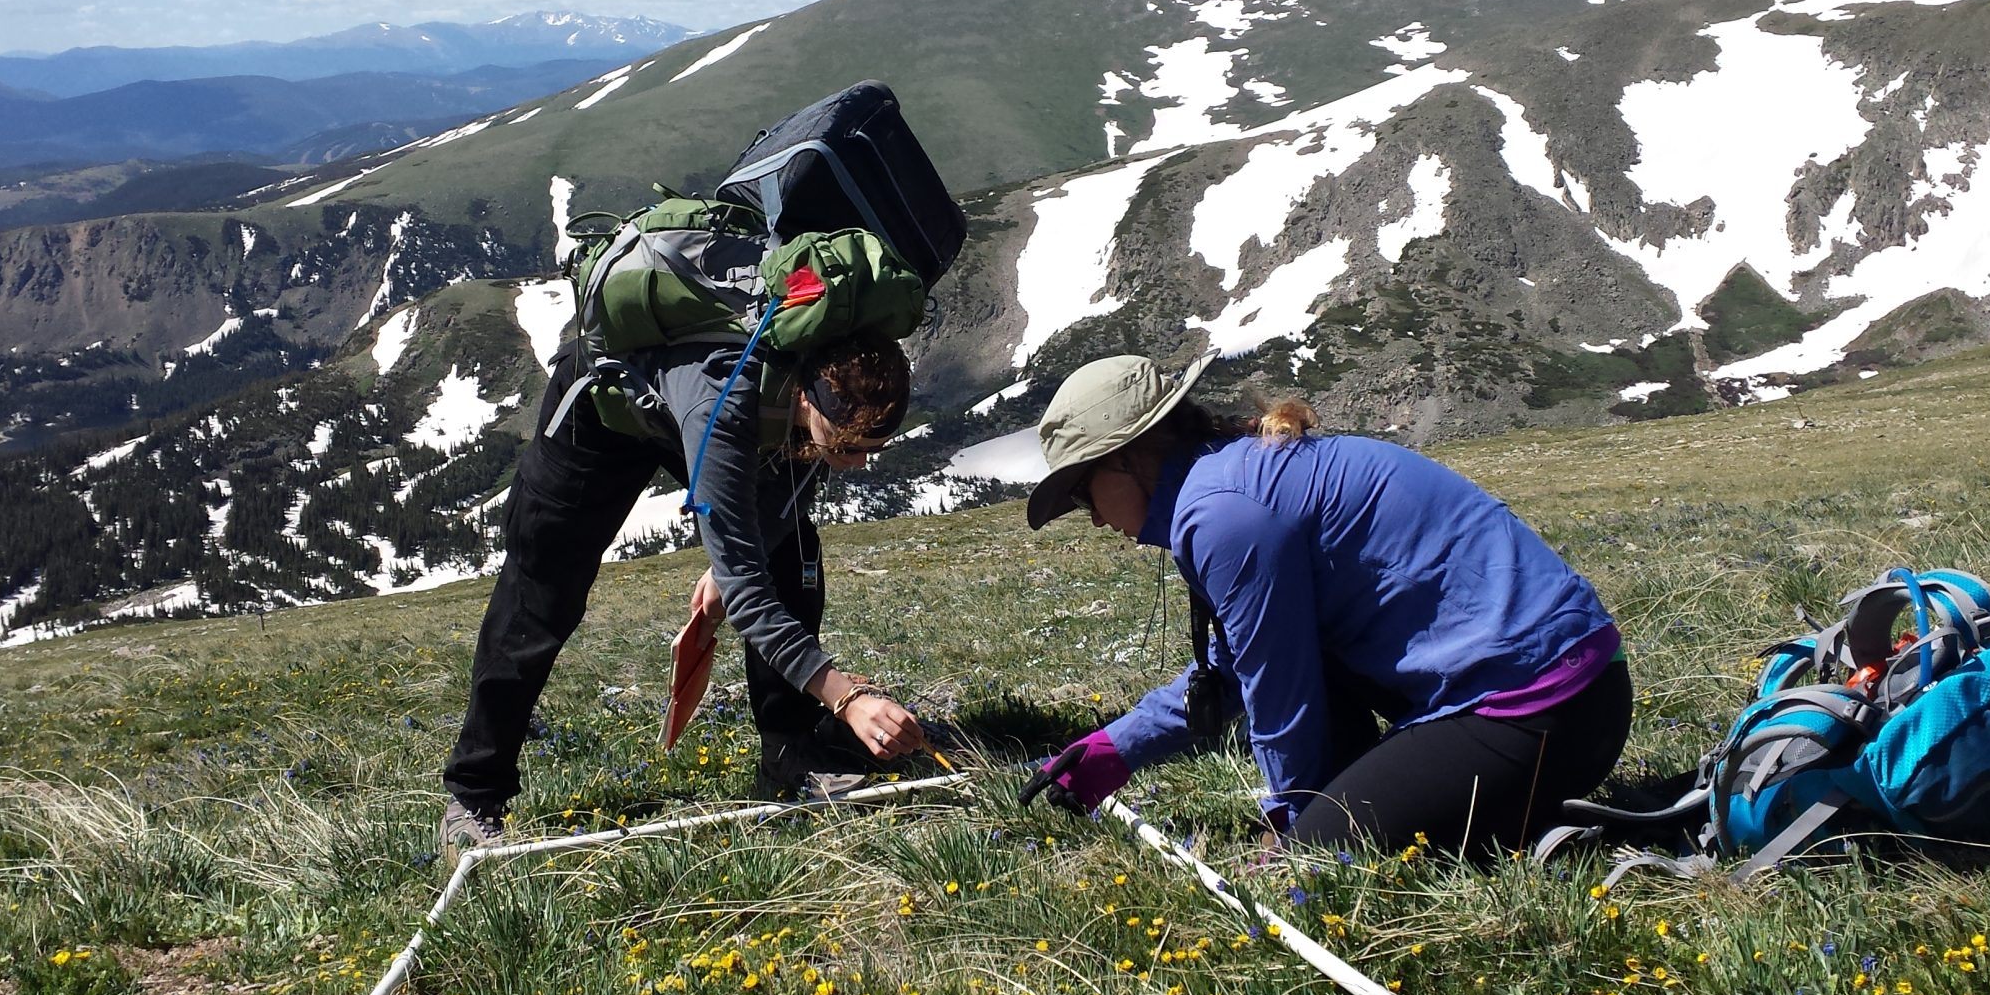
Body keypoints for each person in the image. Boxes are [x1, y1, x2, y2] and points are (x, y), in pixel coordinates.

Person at [1025, 353, 1630, 856]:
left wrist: (1291, 823)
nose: (1095, 517)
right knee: (1335, 821)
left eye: (1084, 492)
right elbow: (1241, 661)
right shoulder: (1230, 479)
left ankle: (1574, 828)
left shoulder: (1223, 513)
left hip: (1544, 710)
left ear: (1129, 458)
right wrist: (1117, 747)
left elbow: (1276, 685)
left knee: (1325, 850)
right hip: (1576, 690)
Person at [440, 331, 929, 850]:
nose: (856, 463)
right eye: (848, 447)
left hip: (709, 407)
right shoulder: (724, 402)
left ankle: (791, 754)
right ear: (806, 396)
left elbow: (784, 502)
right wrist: (843, 694)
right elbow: (748, 594)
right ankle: (473, 794)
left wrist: (736, 557)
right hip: (604, 410)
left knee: (789, 551)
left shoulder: (823, 378)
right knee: (542, 589)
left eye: (872, 450)